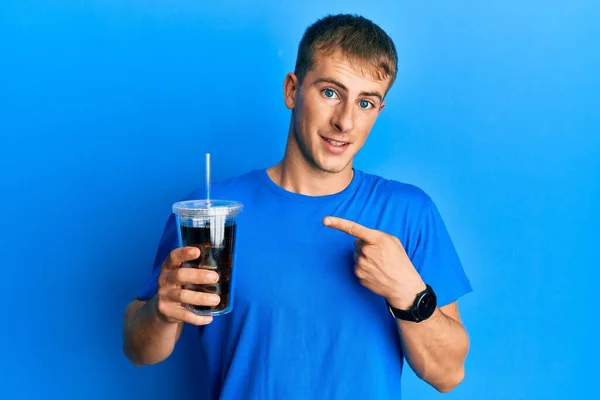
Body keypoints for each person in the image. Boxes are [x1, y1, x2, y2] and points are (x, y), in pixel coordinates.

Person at [122, 13, 472, 399]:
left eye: (366, 102)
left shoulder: (408, 212)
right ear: (292, 90)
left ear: (379, 111)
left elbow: (447, 374)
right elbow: (139, 350)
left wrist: (411, 295)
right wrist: (158, 311)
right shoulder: (210, 216)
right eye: (330, 93)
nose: (346, 122)